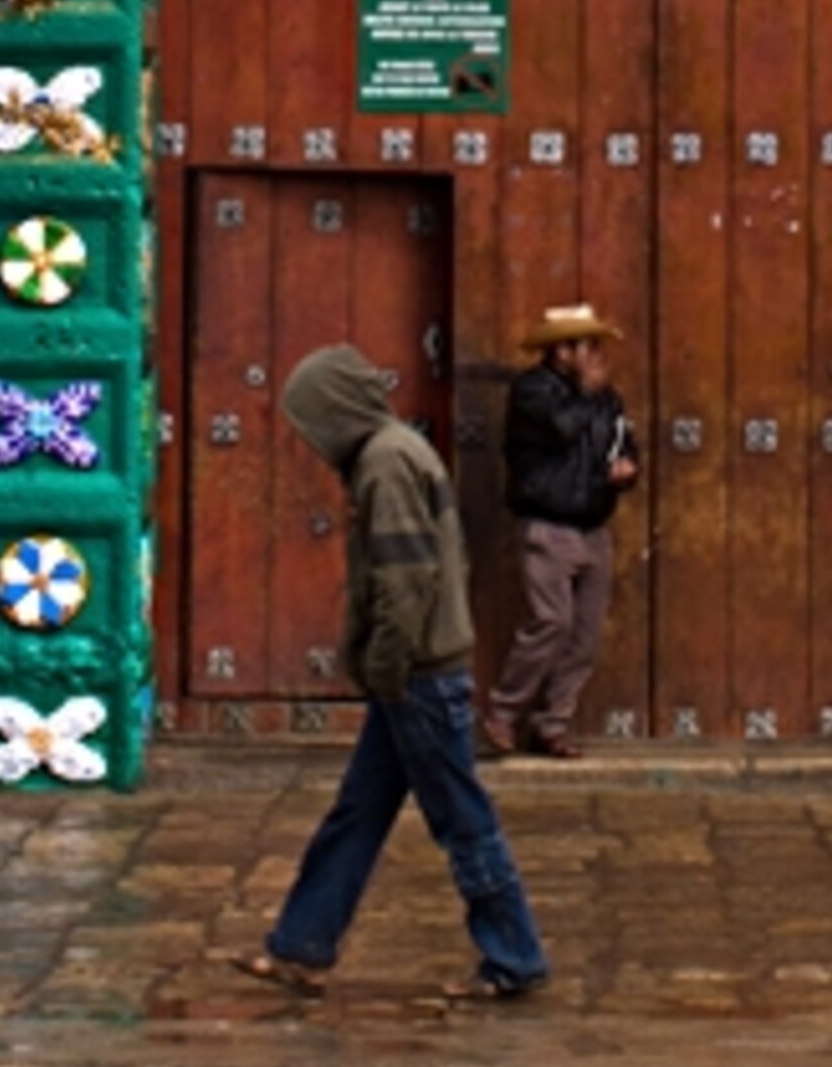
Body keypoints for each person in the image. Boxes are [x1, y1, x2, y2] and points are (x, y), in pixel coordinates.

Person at [243, 344, 548, 1003]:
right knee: (359, 812)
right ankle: (302, 944)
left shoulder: (385, 462)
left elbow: (406, 578)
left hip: (418, 675)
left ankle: (514, 955)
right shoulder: (397, 451)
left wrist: (386, 663)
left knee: (462, 817)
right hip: (412, 676)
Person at [482, 302, 639, 762]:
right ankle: (502, 712)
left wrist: (628, 470)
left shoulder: (606, 398)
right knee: (551, 621)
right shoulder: (534, 391)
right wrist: (589, 395)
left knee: (584, 635)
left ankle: (552, 724)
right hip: (548, 524)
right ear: (559, 350)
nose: (591, 353)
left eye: (593, 343)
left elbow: (622, 441)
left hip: (593, 525)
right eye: (581, 344)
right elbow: (562, 428)